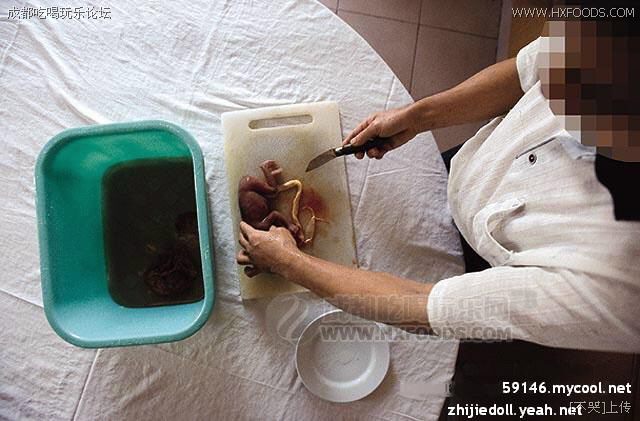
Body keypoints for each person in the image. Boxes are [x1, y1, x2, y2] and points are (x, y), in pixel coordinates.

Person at [236, 20, 640, 353]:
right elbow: (527, 72)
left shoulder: (622, 290)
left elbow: (420, 307)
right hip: (471, 171)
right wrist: (419, 116)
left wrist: (289, 263)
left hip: (499, 263)